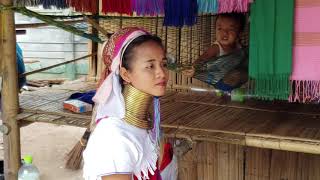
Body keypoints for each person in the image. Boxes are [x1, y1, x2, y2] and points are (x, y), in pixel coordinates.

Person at [83, 27, 176, 180]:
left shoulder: (141, 125)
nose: (162, 72)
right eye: (150, 66)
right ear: (126, 74)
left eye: (163, 64)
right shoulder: (114, 136)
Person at [183, 13, 248, 92]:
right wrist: (194, 67)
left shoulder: (239, 47)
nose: (224, 33)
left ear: (240, 33)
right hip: (219, 81)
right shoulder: (216, 47)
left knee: (246, 66)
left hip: (234, 80)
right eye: (220, 29)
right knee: (236, 74)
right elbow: (204, 57)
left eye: (230, 29)